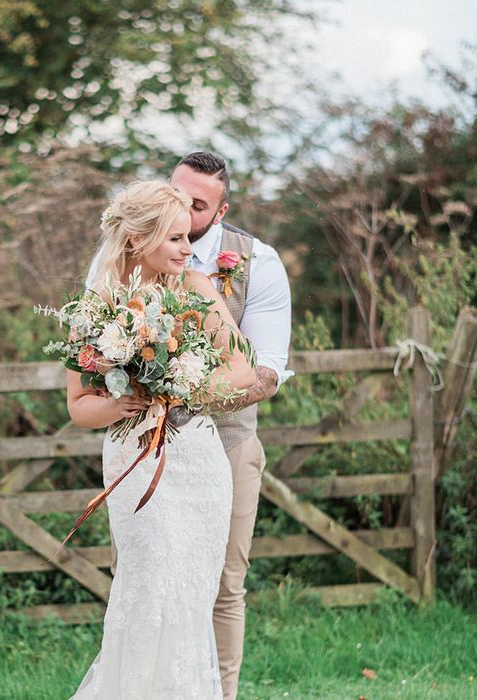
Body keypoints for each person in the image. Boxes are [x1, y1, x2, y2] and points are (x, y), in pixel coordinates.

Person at [68, 180, 256, 699]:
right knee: (148, 588)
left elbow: (240, 370)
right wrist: (119, 403)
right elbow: (79, 408)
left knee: (190, 599)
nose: (187, 248)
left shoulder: (197, 288)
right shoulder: (96, 308)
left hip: (198, 459)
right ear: (137, 240)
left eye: (186, 236)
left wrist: (183, 383)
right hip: (135, 461)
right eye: (174, 238)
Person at [170, 152, 293, 700]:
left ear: (221, 211)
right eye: (177, 194)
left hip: (230, 443)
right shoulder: (125, 252)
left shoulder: (256, 262)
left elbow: (265, 375)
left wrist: (189, 393)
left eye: (197, 205)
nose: (183, 210)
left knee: (224, 586)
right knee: (151, 583)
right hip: (148, 450)